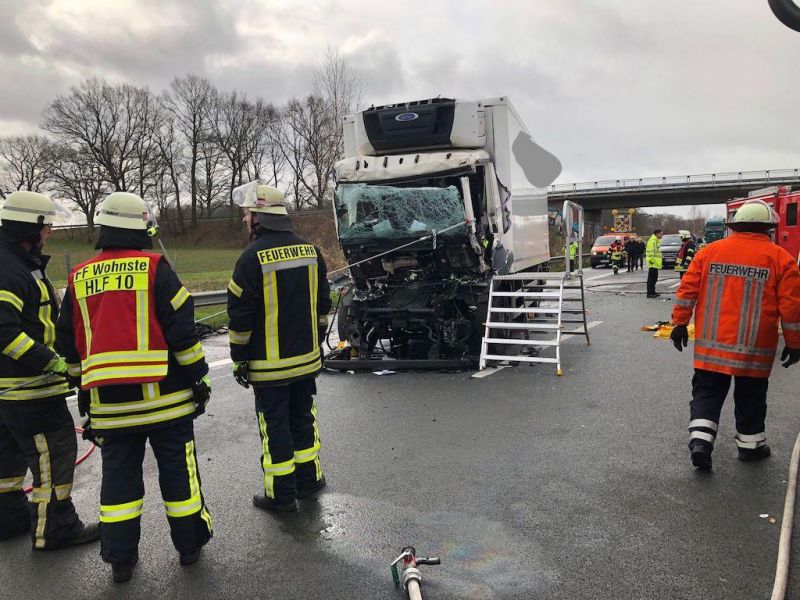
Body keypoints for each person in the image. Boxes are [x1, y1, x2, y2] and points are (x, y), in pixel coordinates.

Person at [55, 192, 213, 583]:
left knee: (119, 481)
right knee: (179, 475)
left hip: (111, 409)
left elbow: (68, 346)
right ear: (139, 227)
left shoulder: (79, 277)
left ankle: (121, 560)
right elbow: (182, 333)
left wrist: (81, 386)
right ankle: (189, 547)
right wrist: (199, 376)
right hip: (168, 402)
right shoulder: (155, 267)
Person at [0, 191, 99, 549]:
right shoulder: (10, 270)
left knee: (8, 456)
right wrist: (51, 360)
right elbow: (5, 332)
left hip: (11, 391)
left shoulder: (15, 262)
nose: (50, 232)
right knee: (54, 454)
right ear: (30, 226)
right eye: (46, 225)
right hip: (29, 388)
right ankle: (55, 528)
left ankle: (9, 517)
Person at [670, 200, 800, 470]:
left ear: (734, 226)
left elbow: (687, 290)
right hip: (755, 349)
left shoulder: (709, 253)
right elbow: (792, 308)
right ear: (769, 229)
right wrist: (794, 343)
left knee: (706, 393)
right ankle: (751, 448)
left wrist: (679, 323)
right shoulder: (781, 259)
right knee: (751, 397)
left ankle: (701, 443)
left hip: (711, 348)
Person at [227, 182, 331, 512]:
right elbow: (323, 306)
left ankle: (281, 495)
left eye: (247, 214)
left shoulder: (249, 259)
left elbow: (240, 319)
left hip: (270, 368)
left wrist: (239, 360)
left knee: (276, 430)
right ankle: (310, 482)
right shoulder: (311, 252)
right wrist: (314, 344)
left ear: (258, 217)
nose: (244, 220)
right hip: (306, 362)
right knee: (303, 420)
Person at [645, 229, 663, 297]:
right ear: (657, 234)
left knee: (654, 278)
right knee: (651, 278)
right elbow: (650, 252)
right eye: (661, 234)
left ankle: (653, 292)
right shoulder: (652, 241)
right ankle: (650, 293)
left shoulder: (655, 241)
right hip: (652, 262)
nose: (662, 235)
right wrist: (652, 261)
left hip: (655, 262)